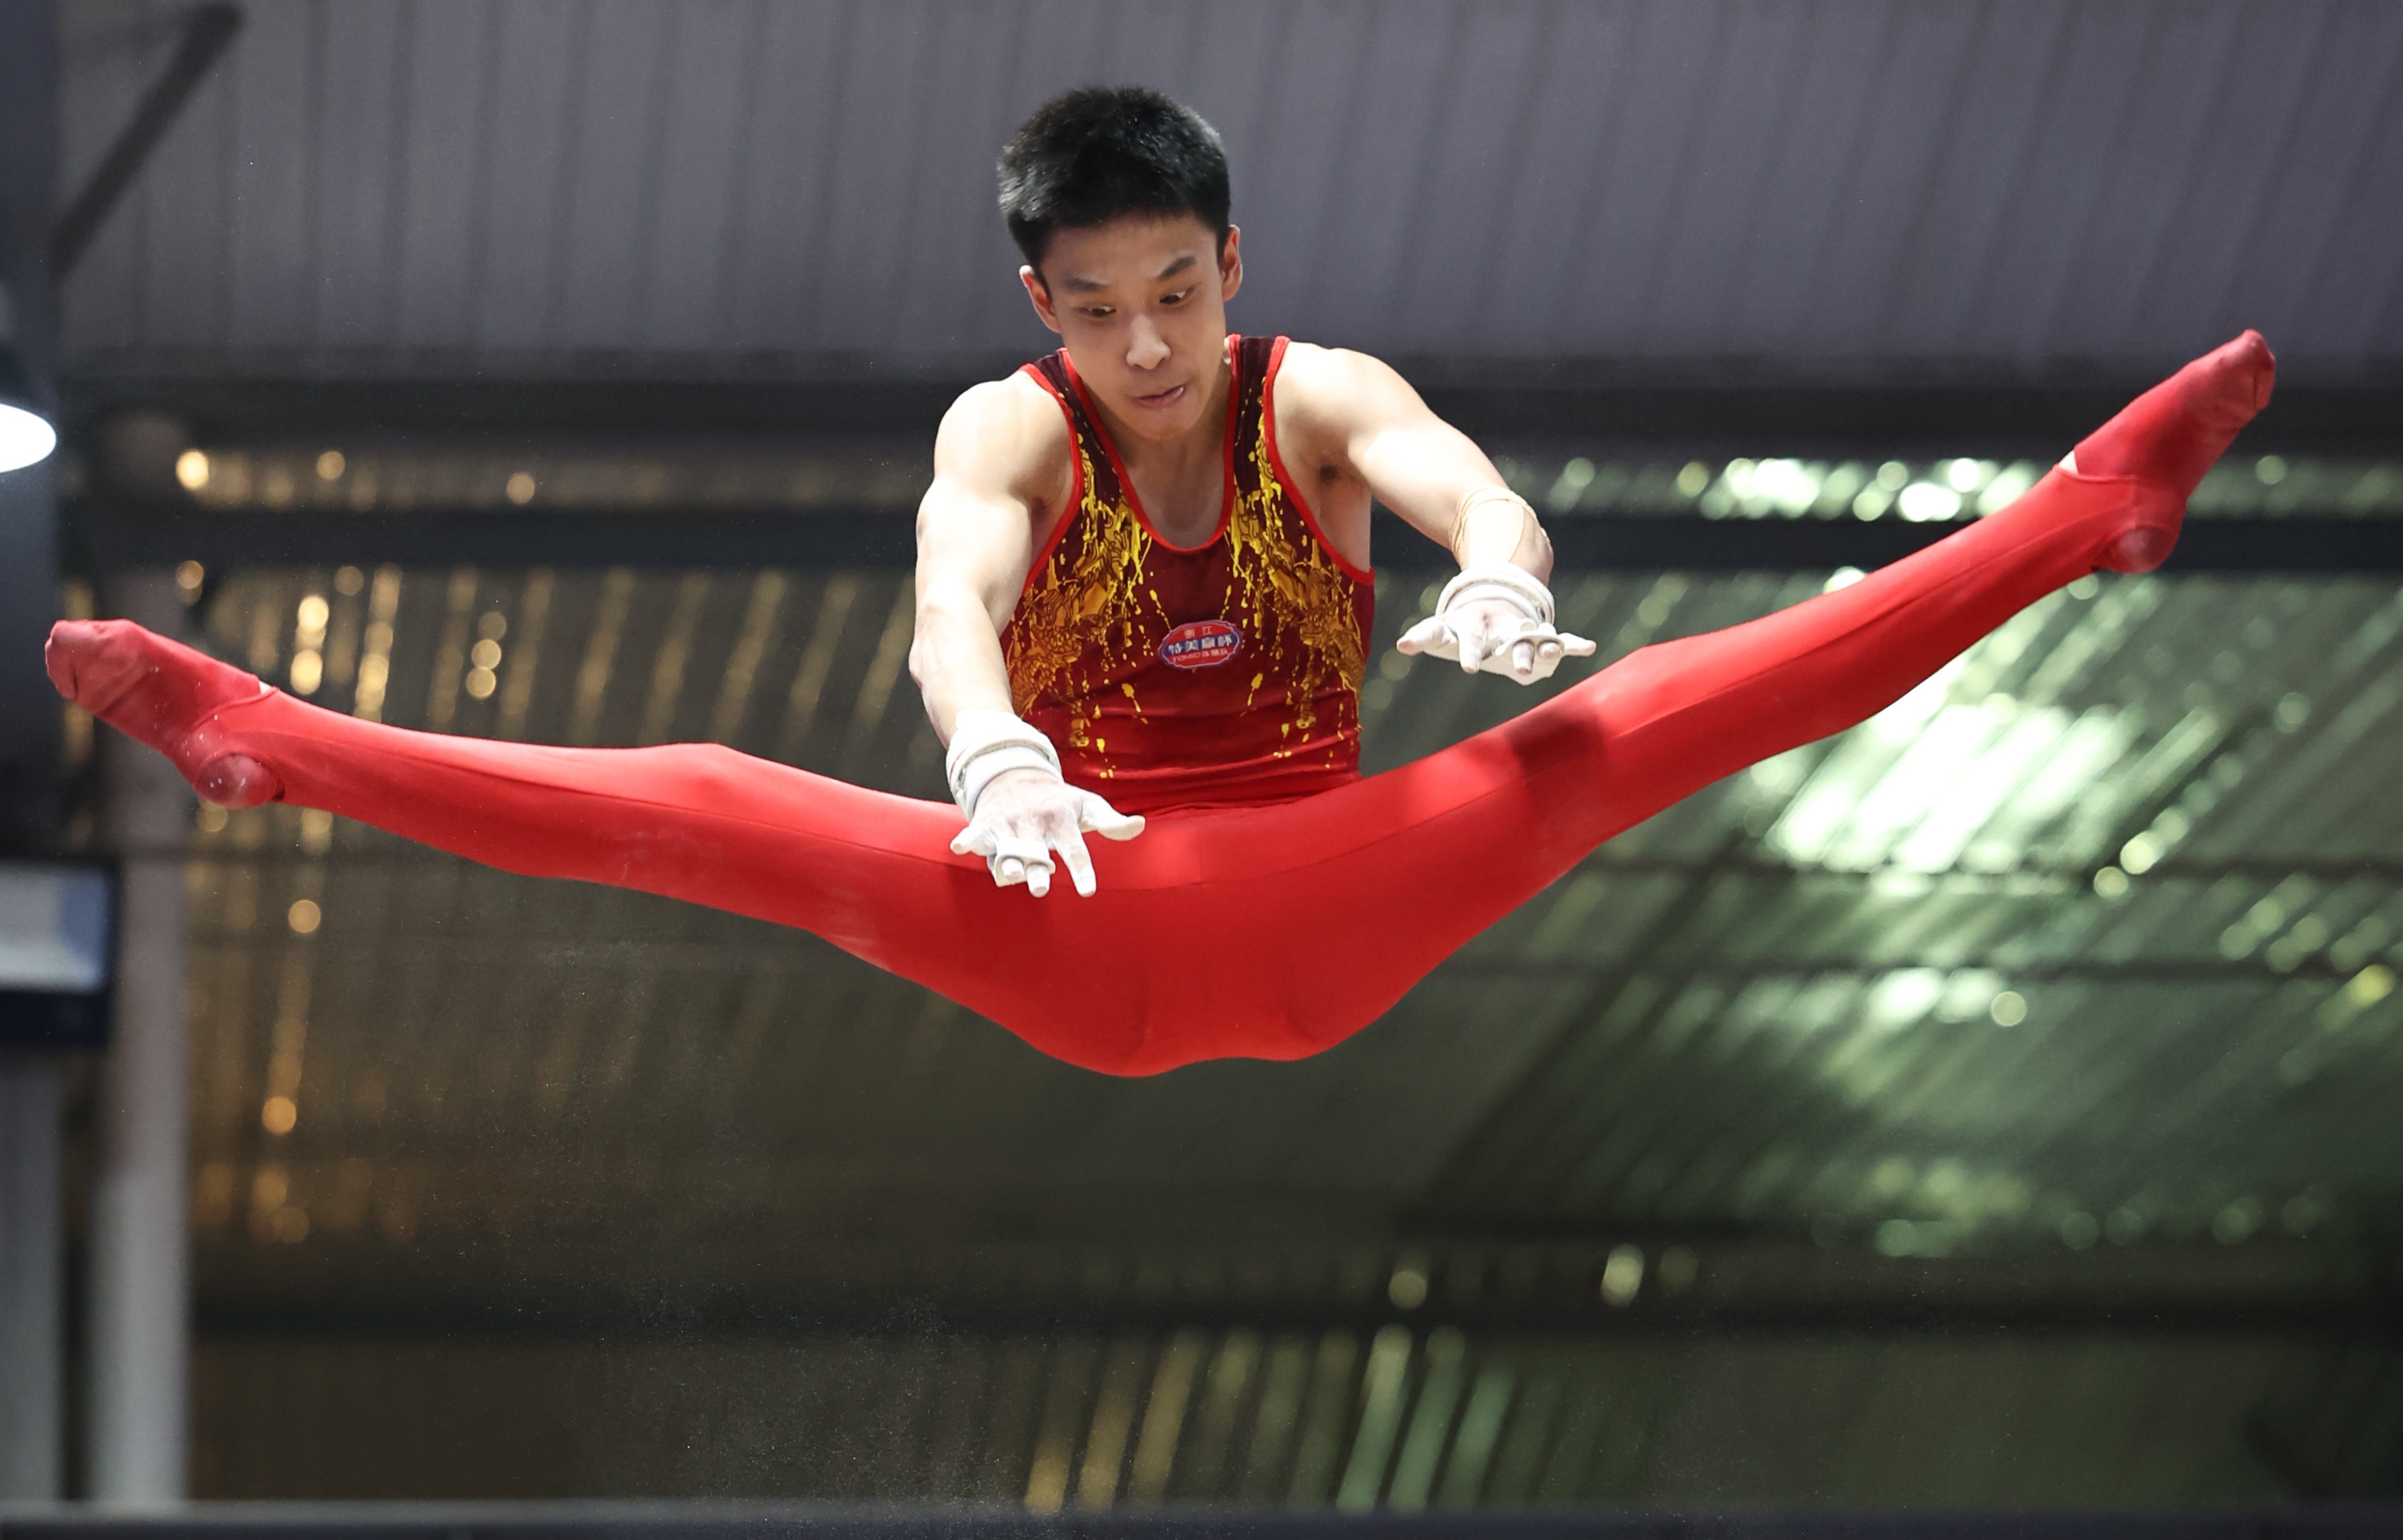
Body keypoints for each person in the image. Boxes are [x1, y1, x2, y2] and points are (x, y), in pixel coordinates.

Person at [46, 87, 2273, 1078]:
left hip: (1329, 893)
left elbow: (1462, 487)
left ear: (1235, 264)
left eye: (1181, 295)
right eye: (1098, 308)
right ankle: (273, 740)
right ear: (1042, 300)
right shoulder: (1010, 433)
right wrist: (994, 755)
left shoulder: (1321, 398)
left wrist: (1501, 575)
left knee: (1638, 714)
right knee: (723, 797)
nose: (1145, 347)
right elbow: (951, 603)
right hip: (1071, 902)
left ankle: (2087, 513)